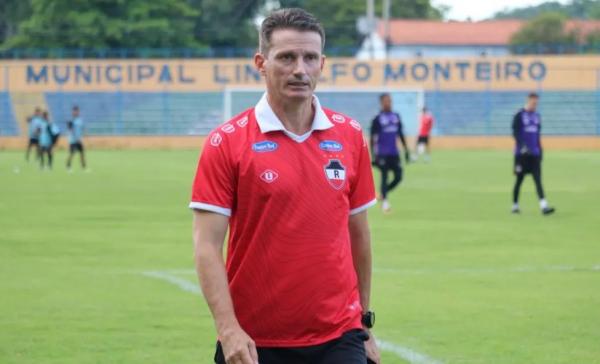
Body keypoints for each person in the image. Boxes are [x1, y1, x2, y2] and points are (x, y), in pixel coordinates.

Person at [190, 8, 380, 364]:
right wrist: (228, 328)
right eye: (287, 57)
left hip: (340, 337)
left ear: (322, 63)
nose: (300, 69)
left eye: (310, 58)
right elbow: (206, 246)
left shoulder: (350, 136)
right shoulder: (225, 143)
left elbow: (359, 236)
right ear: (261, 62)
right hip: (255, 343)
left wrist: (364, 321)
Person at [512, 92, 555, 215]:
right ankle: (515, 205)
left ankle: (544, 206)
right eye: (533, 102)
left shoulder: (537, 116)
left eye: (536, 103)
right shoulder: (519, 115)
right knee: (519, 180)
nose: (535, 105)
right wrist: (523, 146)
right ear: (528, 100)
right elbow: (515, 133)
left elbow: (537, 135)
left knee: (538, 180)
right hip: (521, 155)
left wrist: (540, 150)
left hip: (534, 155)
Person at [370, 93, 410, 213]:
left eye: (390, 101)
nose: (388, 103)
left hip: (394, 152)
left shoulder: (396, 116)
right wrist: (373, 155)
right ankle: (385, 203)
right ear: (381, 103)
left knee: (398, 176)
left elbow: (400, 134)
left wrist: (406, 149)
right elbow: (373, 138)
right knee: (384, 175)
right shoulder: (377, 118)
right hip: (382, 153)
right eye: (386, 101)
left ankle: (383, 193)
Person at [66, 106, 87, 171]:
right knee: (72, 153)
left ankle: (83, 167)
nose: (76, 112)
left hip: (79, 139)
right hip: (73, 140)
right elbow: (71, 130)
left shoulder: (80, 120)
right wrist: (76, 138)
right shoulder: (71, 120)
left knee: (82, 153)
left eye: (77, 111)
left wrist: (84, 132)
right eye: (75, 111)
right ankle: (68, 166)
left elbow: (83, 128)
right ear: (73, 112)